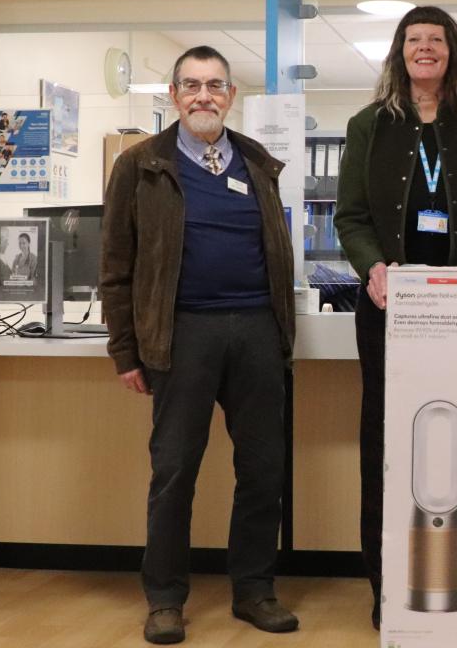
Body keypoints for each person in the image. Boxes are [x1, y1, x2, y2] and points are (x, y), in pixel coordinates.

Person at [334, 5, 457, 630]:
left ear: (453, 51)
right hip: (391, 308)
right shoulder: (368, 125)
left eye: (435, 40)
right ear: (399, 51)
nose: (424, 49)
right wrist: (372, 268)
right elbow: (352, 218)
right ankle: (386, 585)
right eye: (413, 40)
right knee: (386, 449)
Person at [101, 46, 298, 645]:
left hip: (258, 331)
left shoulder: (258, 162)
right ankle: (164, 600)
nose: (203, 96)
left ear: (231, 96)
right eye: (191, 85)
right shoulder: (141, 165)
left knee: (264, 470)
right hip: (183, 333)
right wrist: (126, 351)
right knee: (174, 472)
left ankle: (254, 590)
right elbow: (116, 264)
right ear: (173, 95)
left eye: (215, 85)